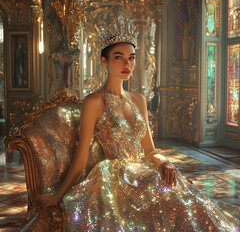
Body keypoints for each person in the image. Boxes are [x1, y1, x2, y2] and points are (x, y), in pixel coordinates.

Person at [21, 16, 239, 231]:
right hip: (117, 178)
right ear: (104, 61)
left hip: (144, 172)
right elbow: (81, 158)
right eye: (119, 57)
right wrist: (57, 196)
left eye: (132, 57)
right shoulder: (95, 101)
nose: (127, 64)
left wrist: (164, 162)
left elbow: (150, 150)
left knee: (187, 199)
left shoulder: (138, 100)